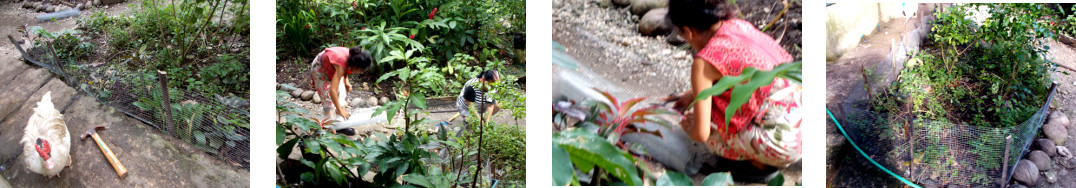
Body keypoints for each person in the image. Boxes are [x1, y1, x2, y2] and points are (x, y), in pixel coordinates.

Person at [665, 0, 801, 182]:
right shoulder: (739, 26)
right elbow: (739, 78)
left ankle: (758, 165)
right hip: (804, 126)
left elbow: (701, 133)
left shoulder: (703, 62)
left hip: (782, 146)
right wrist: (691, 95)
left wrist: (689, 126)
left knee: (712, 128)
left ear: (688, 31)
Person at [308, 46, 373, 121]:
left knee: (342, 94)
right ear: (356, 66)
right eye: (362, 70)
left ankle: (340, 122)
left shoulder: (353, 56)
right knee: (328, 103)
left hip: (334, 66)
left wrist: (346, 81)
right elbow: (332, 91)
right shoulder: (341, 66)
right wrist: (341, 110)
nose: (362, 72)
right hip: (320, 67)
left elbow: (346, 67)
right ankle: (330, 128)